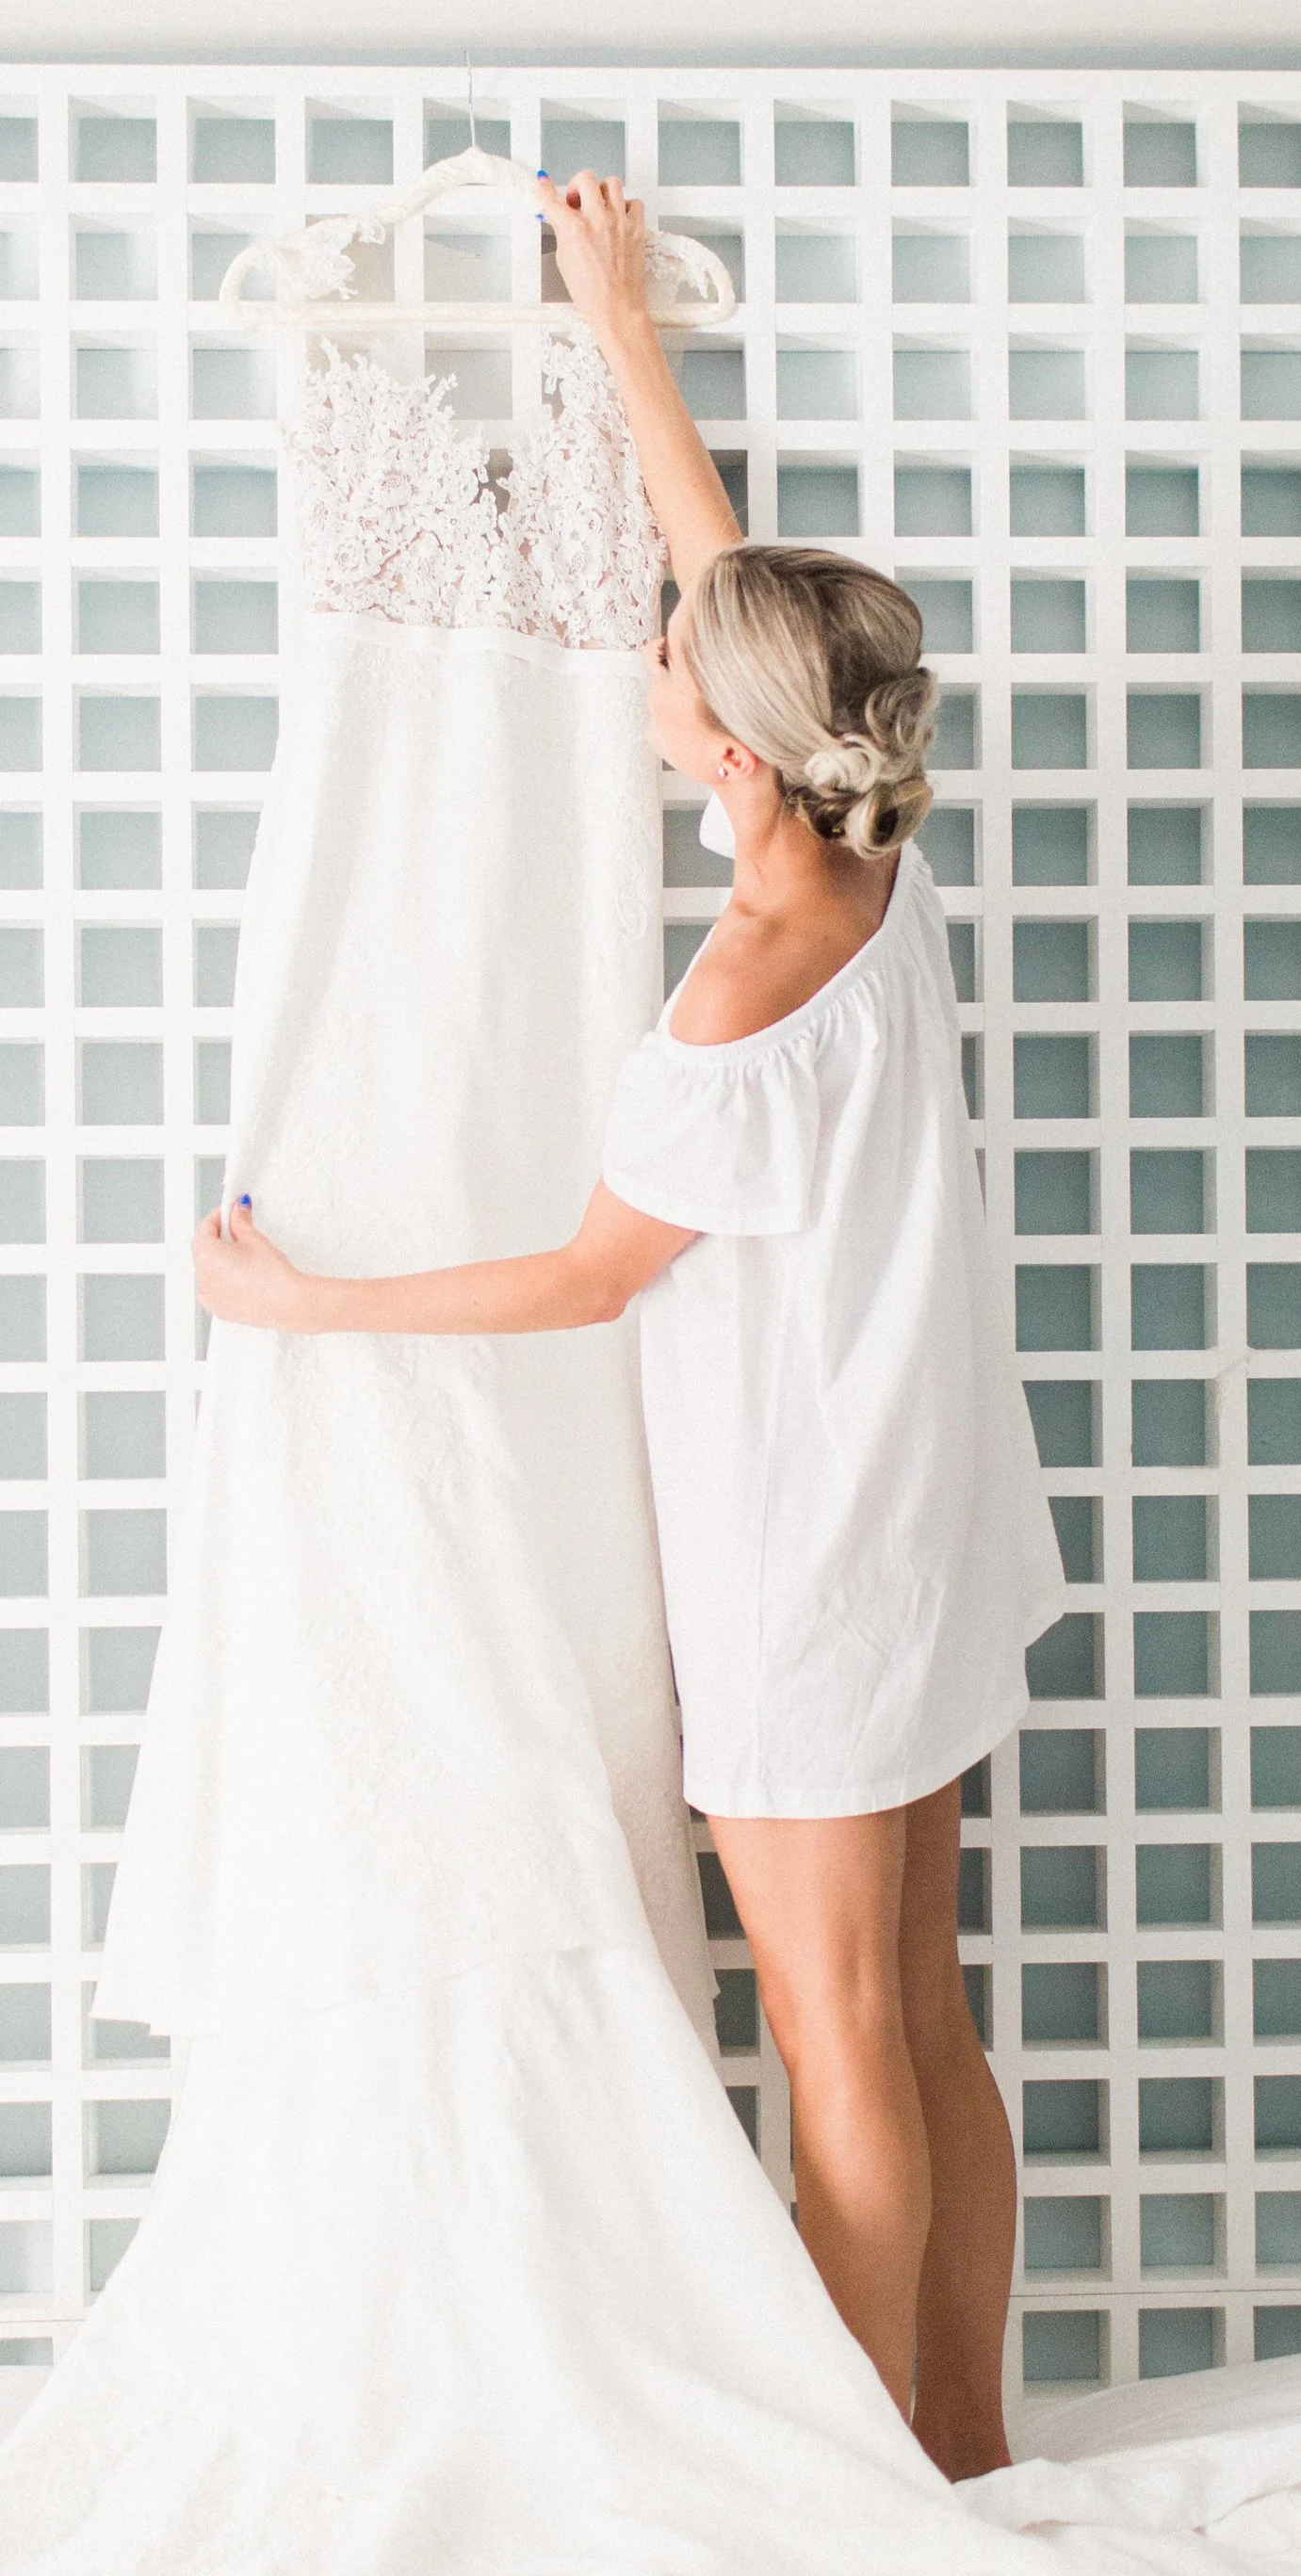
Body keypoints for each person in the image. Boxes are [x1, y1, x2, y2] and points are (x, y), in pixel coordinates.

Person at [192, 165, 1068, 2484]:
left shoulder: (727, 1013)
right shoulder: (873, 870)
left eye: (675, 672)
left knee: (838, 2037)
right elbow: (729, 591)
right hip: (936, 1513)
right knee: (929, 2011)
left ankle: (879, 2475)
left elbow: (581, 1276)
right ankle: (970, 2445)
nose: (650, 663)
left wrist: (307, 1297)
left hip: (808, 1563)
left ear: (731, 753)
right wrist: (628, 348)